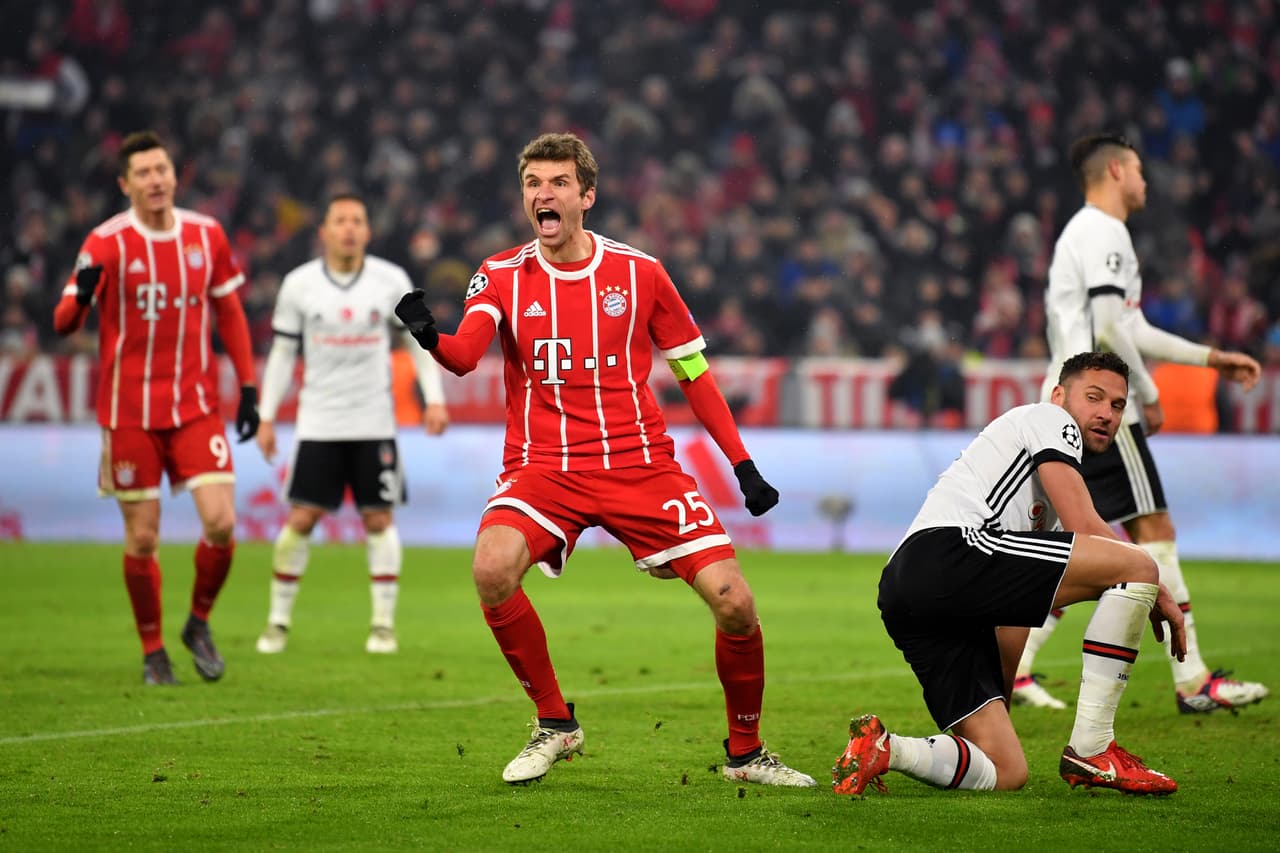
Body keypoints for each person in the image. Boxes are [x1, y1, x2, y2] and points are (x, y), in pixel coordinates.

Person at [394, 132, 815, 788]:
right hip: (544, 466)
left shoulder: (641, 273)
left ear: (586, 195)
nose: (544, 194)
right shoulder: (499, 274)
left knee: (735, 601)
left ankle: (746, 753)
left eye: (558, 182)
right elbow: (467, 355)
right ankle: (554, 722)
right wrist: (429, 335)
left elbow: (694, 372)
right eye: (533, 183)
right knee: (491, 568)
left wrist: (742, 464)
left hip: (639, 463)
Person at [833, 352, 1187, 797]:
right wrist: (1154, 585)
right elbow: (1085, 524)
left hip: (908, 588)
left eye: (1117, 406)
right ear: (1059, 396)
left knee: (1005, 769)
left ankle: (886, 749)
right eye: (1094, 397)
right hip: (953, 550)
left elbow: (1014, 616)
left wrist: (996, 703)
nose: (1106, 414)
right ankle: (1095, 749)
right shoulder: (1049, 419)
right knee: (1138, 564)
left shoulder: (1039, 490)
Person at [1013, 133, 1268, 713]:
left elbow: (1132, 327)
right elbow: (1110, 330)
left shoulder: (1082, 232)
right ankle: (1193, 680)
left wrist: (1211, 358)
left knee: (1070, 542)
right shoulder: (1104, 231)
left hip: (1065, 399)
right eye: (1139, 170)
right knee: (1155, 529)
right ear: (1115, 171)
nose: (1145, 181)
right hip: (1097, 399)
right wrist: (1145, 394)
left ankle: (1016, 668)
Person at [52, 130, 260, 685]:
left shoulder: (206, 234)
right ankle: (152, 651)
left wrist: (248, 388)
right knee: (143, 537)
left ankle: (198, 622)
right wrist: (81, 297)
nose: (155, 180)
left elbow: (230, 313)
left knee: (222, 523)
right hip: (129, 413)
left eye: (161, 169)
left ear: (174, 174)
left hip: (194, 406)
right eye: (142, 173)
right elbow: (64, 322)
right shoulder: (105, 243)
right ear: (125, 184)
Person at [253, 193, 449, 655]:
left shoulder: (391, 280)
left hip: (374, 421)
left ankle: (382, 626)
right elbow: (283, 353)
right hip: (318, 423)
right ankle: (278, 621)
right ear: (323, 232)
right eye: (339, 220)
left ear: (367, 231)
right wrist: (265, 415)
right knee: (301, 518)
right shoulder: (299, 285)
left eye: (356, 221)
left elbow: (418, 342)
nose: (348, 228)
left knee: (379, 518)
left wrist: (435, 399)